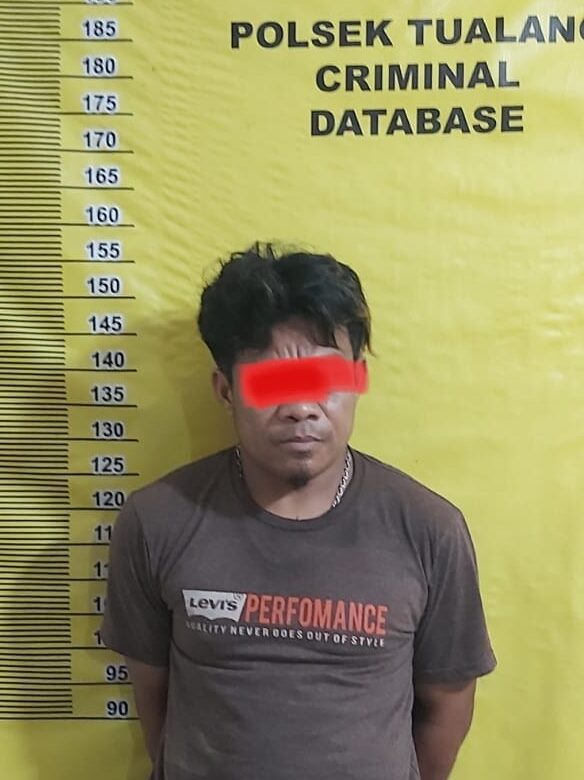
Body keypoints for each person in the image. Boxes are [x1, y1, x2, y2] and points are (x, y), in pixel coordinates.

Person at [100, 242, 497, 780]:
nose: (301, 408)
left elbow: (447, 704)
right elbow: (153, 696)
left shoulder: (430, 530)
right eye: (271, 383)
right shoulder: (156, 522)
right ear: (225, 390)